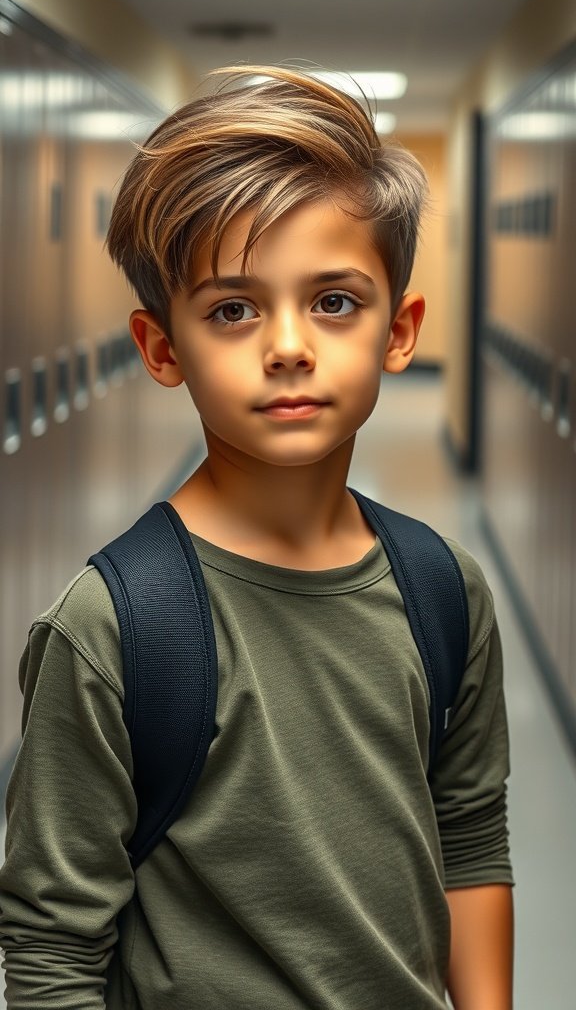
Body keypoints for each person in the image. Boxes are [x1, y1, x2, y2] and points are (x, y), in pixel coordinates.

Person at [0, 65, 513, 1009]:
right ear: (162, 349)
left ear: (398, 332)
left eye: (334, 301)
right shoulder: (114, 627)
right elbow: (51, 946)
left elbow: (470, 836)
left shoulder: (444, 587)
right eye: (232, 309)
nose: (287, 344)